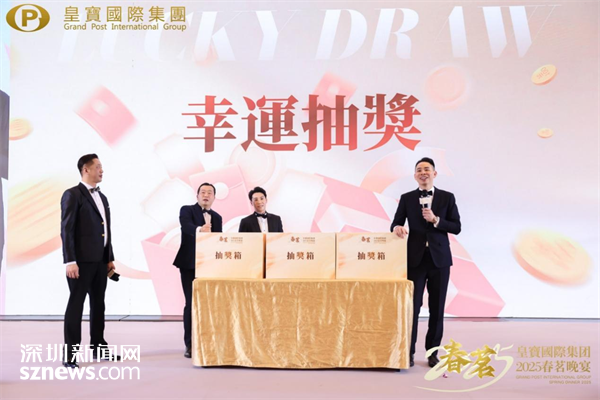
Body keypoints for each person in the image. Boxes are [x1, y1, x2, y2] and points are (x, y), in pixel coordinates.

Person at [390, 157, 461, 368]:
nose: (423, 173)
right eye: (419, 170)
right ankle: (408, 353)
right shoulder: (407, 198)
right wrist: (397, 228)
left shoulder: (447, 197)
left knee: (437, 309)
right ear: (415, 176)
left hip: (440, 260)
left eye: (427, 169)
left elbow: (456, 227)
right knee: (412, 308)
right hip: (415, 260)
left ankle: (432, 353)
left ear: (434, 174)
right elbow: (396, 222)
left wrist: (436, 220)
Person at [61, 154, 119, 368]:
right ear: (85, 169)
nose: (101, 170)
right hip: (80, 263)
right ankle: (70, 355)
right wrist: (70, 260)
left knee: (98, 305)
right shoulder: (72, 194)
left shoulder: (102, 197)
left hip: (100, 262)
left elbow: (106, 230)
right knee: (76, 306)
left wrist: (109, 258)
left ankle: (98, 347)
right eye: (98, 167)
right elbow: (67, 230)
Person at [173, 182, 223, 358]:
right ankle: (190, 344)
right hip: (189, 264)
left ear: (214, 197)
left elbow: (219, 241)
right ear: (197, 196)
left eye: (210, 193)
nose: (206, 195)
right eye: (203, 192)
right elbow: (186, 226)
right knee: (191, 303)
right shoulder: (187, 210)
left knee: (209, 304)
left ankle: (208, 342)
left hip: (209, 266)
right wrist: (200, 229)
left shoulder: (217, 217)